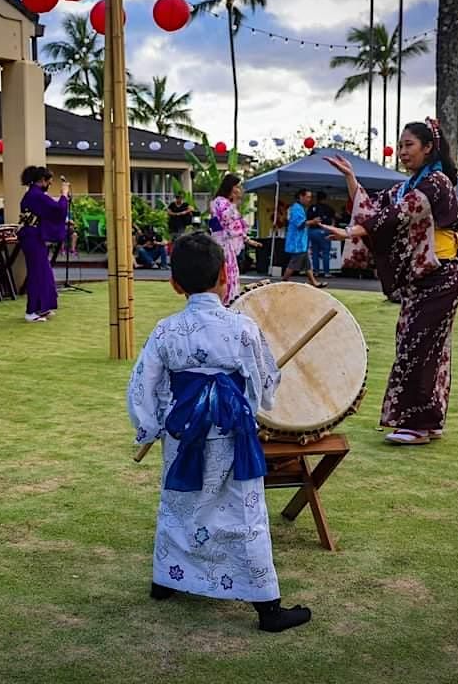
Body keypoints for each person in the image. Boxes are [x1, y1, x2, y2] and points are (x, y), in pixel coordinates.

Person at [127, 232, 311, 633]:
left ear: (175, 283)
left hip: (184, 433)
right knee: (242, 512)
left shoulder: (166, 331)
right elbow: (264, 382)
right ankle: (268, 608)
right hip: (232, 434)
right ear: (226, 275)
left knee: (180, 502)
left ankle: (167, 581)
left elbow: (143, 383)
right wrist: (257, 397)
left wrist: (151, 425)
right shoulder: (242, 329)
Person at [324, 118, 458, 446]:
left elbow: (402, 213)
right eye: (400, 146)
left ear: (429, 148)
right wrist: (351, 179)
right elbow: (374, 206)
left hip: (440, 275)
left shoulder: (437, 182)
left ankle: (417, 424)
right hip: (422, 280)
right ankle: (430, 419)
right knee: (423, 347)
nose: (402, 152)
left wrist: (354, 231)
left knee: (419, 347)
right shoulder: (406, 185)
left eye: (408, 145)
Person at [17, 166, 70, 323]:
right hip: (32, 236)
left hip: (32, 236)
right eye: (49, 182)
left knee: (43, 272)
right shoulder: (36, 195)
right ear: (42, 181)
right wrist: (64, 195)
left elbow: (47, 213)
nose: (49, 185)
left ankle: (42, 307)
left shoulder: (34, 194)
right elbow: (57, 210)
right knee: (37, 273)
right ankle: (31, 311)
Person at [209, 174, 261, 304]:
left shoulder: (221, 202)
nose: (239, 189)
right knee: (226, 273)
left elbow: (233, 225)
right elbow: (228, 224)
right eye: (237, 186)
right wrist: (234, 203)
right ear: (230, 187)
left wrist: (246, 239)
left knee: (228, 272)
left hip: (223, 243)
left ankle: (227, 300)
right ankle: (226, 300)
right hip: (223, 244)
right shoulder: (222, 203)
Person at [282, 189, 327, 288]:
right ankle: (284, 280)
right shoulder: (297, 208)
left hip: (301, 241)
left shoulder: (299, 208)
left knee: (306, 263)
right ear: (301, 197)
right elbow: (300, 224)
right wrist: (313, 221)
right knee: (294, 263)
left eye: (310, 197)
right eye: (308, 197)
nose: (309, 199)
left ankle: (313, 282)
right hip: (297, 242)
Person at [307, 192, 333, 275]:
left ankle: (316, 272)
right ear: (325, 199)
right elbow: (335, 218)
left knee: (315, 252)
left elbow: (307, 219)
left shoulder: (312, 207)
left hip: (312, 231)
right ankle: (326, 272)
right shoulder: (328, 208)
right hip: (323, 231)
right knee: (325, 252)